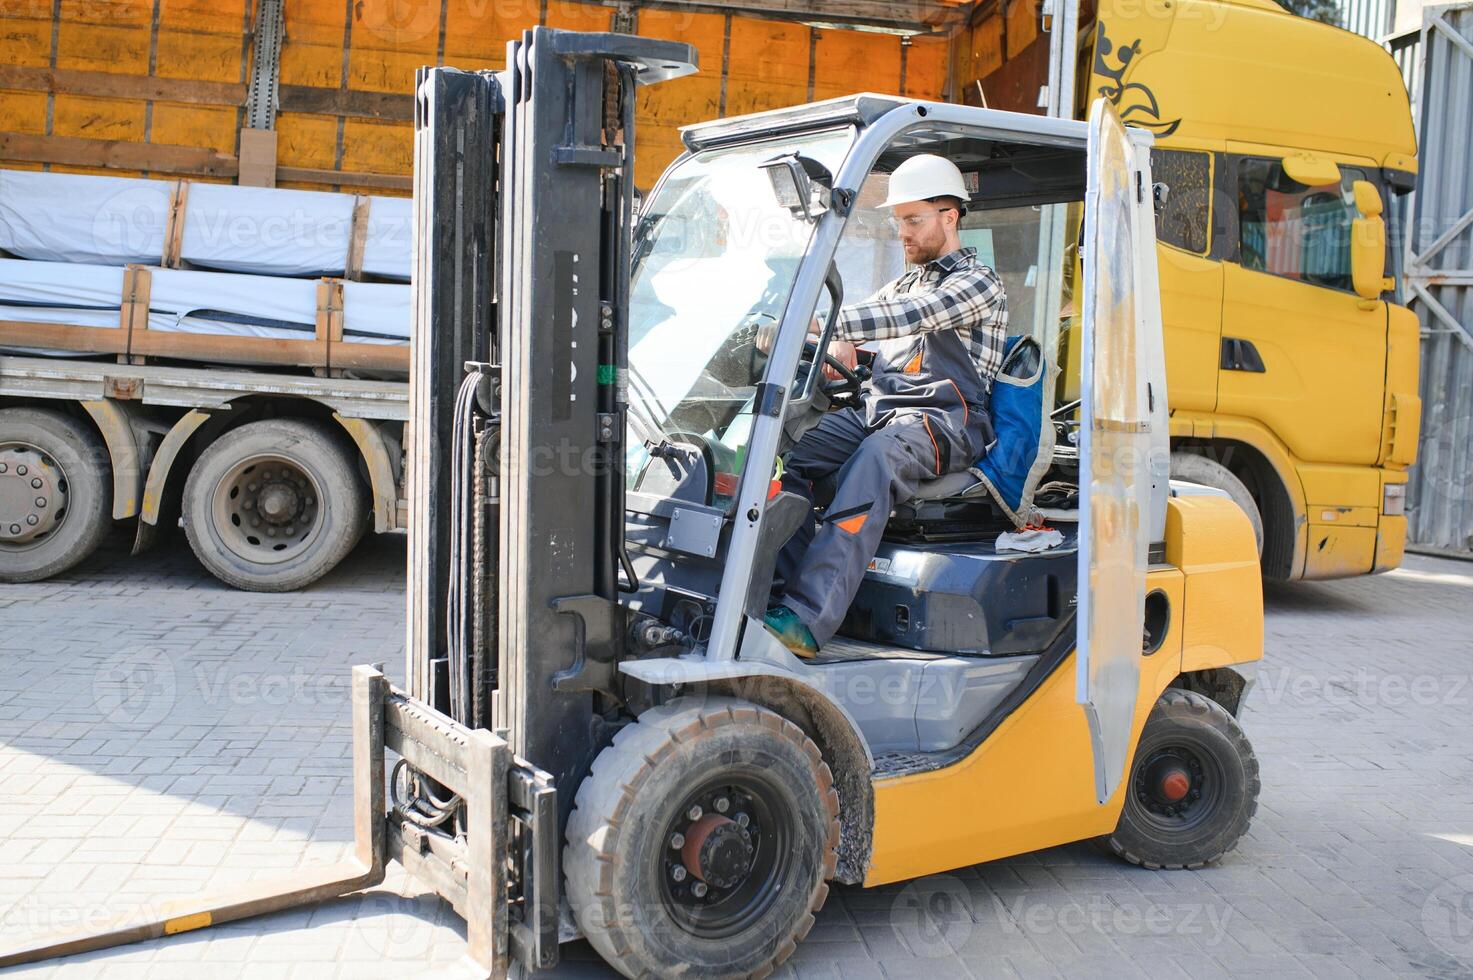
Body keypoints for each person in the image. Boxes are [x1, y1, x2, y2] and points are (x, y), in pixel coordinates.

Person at [764, 153, 1009, 657]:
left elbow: (908, 316)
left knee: (877, 458)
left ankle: (809, 618)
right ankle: (773, 597)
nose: (903, 232)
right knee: (797, 455)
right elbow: (870, 328)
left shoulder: (978, 282)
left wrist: (818, 321)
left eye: (914, 220)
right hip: (886, 411)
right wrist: (829, 346)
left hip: (949, 420)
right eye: (898, 222)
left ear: (950, 216)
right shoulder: (904, 282)